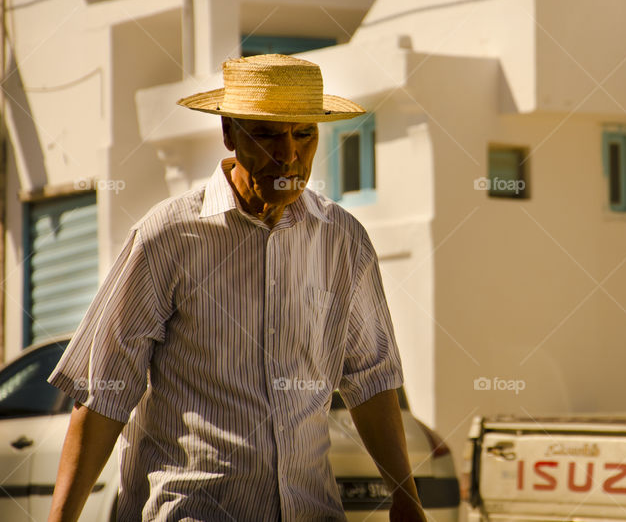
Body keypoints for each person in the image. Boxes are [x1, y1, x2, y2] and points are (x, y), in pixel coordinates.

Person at [46, 54, 426, 522]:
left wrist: (406, 497)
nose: (287, 154)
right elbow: (104, 392)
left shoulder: (343, 240)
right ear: (230, 133)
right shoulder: (167, 236)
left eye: (304, 134)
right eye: (266, 134)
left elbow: (372, 381)